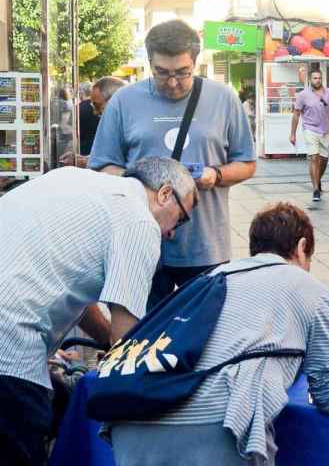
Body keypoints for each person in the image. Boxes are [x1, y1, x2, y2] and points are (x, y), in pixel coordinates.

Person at [108, 202, 329, 465]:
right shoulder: (308, 287)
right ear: (303, 247)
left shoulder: (210, 279)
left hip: (131, 423)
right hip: (218, 429)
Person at [0, 157, 196, 465]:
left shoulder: (74, 179)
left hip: (10, 329)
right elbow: (126, 340)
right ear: (164, 193)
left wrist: (104, 341)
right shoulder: (139, 221)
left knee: (56, 403)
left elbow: (76, 289)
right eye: (181, 220)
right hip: (10, 346)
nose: (172, 233)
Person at [90, 19, 257, 310]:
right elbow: (102, 167)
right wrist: (143, 186)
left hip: (205, 244)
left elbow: (247, 163)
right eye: (162, 73)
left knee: (204, 329)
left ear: (195, 61)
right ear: (149, 63)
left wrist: (216, 175)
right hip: (141, 242)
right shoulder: (124, 101)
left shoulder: (224, 99)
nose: (172, 82)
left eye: (182, 73)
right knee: (144, 330)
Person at [290, 69, 329, 202]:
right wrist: (293, 134)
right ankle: (315, 190)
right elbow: (296, 114)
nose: (317, 80)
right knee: (314, 157)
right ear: (310, 79)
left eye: (319, 78)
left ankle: (317, 179)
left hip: (325, 130)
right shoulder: (303, 95)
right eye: (315, 78)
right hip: (310, 129)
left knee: (324, 160)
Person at [64, 77, 127, 168]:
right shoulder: (116, 125)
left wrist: (86, 162)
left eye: (97, 106)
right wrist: (83, 159)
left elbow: (124, 165)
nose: (95, 112)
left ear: (115, 101)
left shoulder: (132, 129)